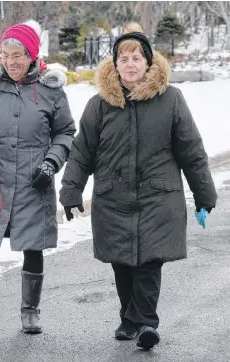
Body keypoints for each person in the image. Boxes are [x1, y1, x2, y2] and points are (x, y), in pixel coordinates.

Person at [59, 22, 217, 350]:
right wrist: (71, 188)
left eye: (137, 58)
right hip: (113, 197)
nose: (130, 64)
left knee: (148, 261)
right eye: (123, 58)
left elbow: (191, 149)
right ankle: (128, 318)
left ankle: (146, 321)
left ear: (148, 63)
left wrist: (203, 192)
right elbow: (82, 151)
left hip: (157, 196)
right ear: (114, 65)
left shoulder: (171, 100)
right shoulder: (99, 105)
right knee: (122, 262)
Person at [0, 20, 75, 338]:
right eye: (5, 54)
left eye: (18, 55)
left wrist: (52, 163)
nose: (10, 61)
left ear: (32, 55)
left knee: (32, 246)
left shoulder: (51, 90)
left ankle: (30, 313)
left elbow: (65, 133)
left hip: (34, 182)